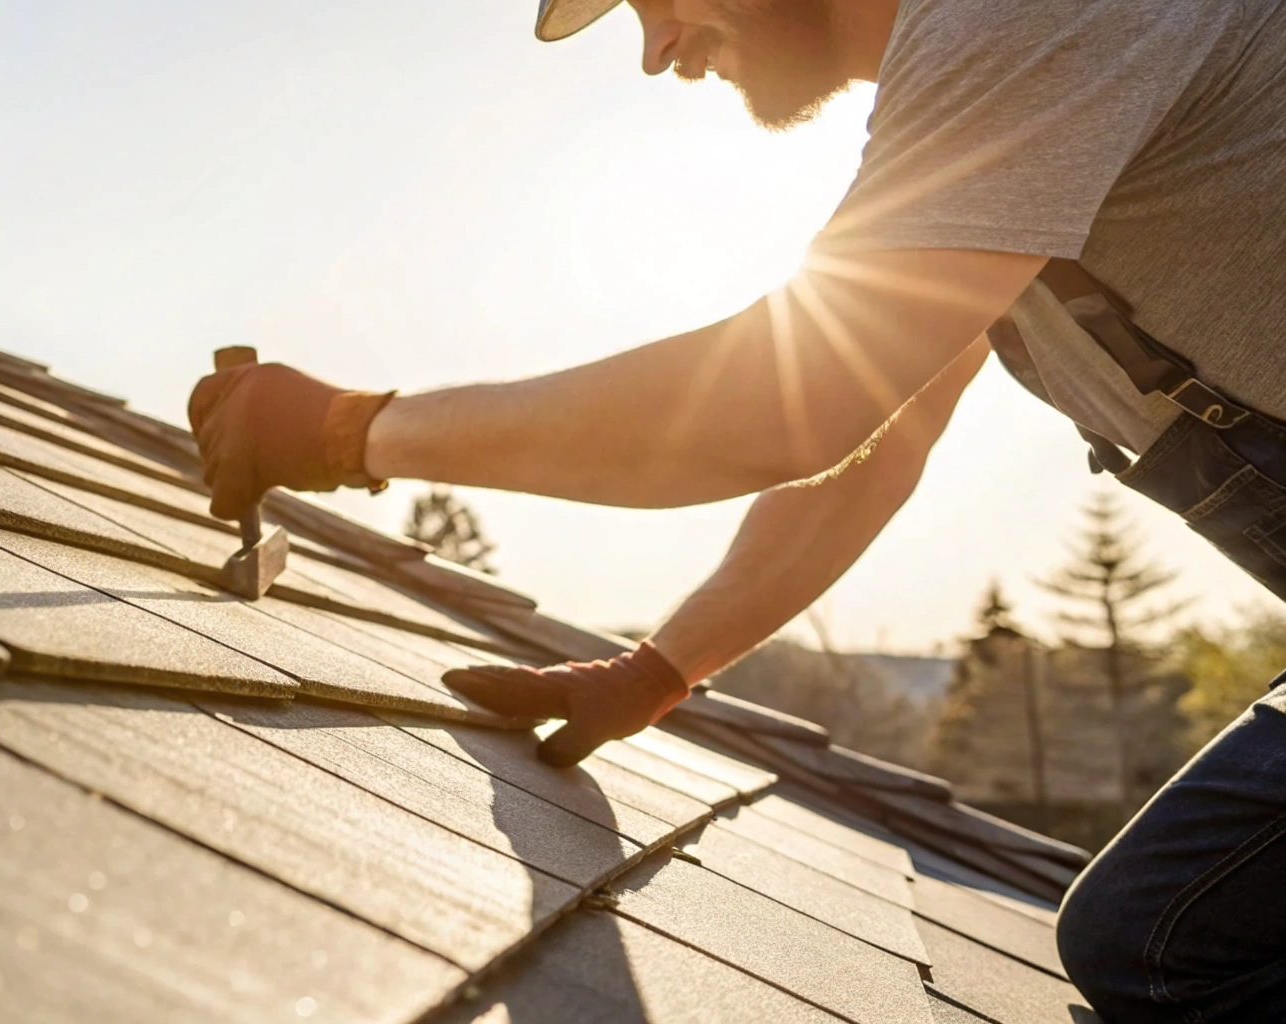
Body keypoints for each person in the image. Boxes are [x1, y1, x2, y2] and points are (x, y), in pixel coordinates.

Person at [186, 0, 1286, 1019]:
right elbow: (861, 448)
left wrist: (341, 432)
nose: (656, 50)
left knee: (1159, 940)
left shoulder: (1018, 21)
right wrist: (655, 670)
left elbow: (780, 407)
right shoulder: (1001, 113)